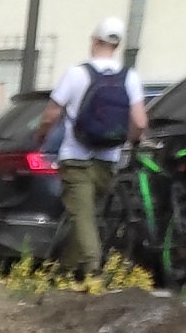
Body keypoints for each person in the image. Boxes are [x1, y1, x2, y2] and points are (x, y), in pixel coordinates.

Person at [49, 17, 146, 275]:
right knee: (86, 216)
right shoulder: (129, 77)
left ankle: (92, 269)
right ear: (117, 45)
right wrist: (131, 140)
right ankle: (64, 271)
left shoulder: (76, 73)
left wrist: (41, 136)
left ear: (94, 40)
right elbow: (140, 121)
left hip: (75, 156)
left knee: (82, 217)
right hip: (108, 159)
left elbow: (51, 113)